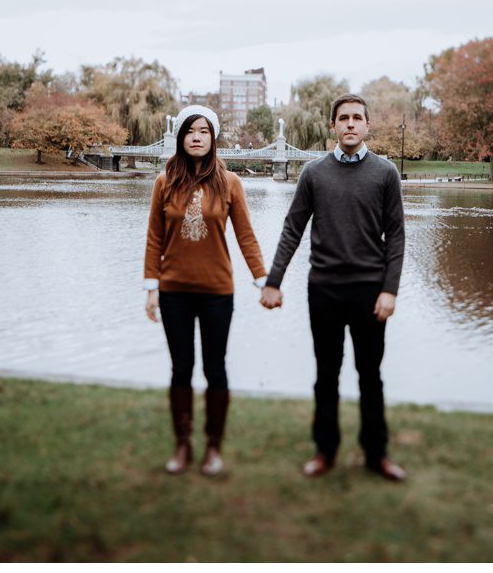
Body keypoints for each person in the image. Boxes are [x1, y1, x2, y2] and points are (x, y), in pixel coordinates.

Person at [259, 93, 407, 482]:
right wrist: (273, 281)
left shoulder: (386, 173)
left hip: (369, 291)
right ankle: (325, 451)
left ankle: (377, 454)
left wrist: (389, 289)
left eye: (358, 118)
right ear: (333, 126)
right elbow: (293, 229)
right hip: (323, 290)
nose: (351, 124)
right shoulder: (314, 173)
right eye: (343, 118)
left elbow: (396, 236)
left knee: (369, 375)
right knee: (326, 375)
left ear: (367, 125)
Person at [143, 105, 267, 476]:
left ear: (213, 138)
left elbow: (245, 235)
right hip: (174, 291)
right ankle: (183, 445)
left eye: (204, 131)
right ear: (181, 138)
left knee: (216, 369)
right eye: (189, 131)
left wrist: (263, 279)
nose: (196, 137)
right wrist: (152, 287)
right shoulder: (165, 181)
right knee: (181, 369)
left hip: (216, 292)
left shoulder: (229, 182)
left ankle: (214, 446)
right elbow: (154, 237)